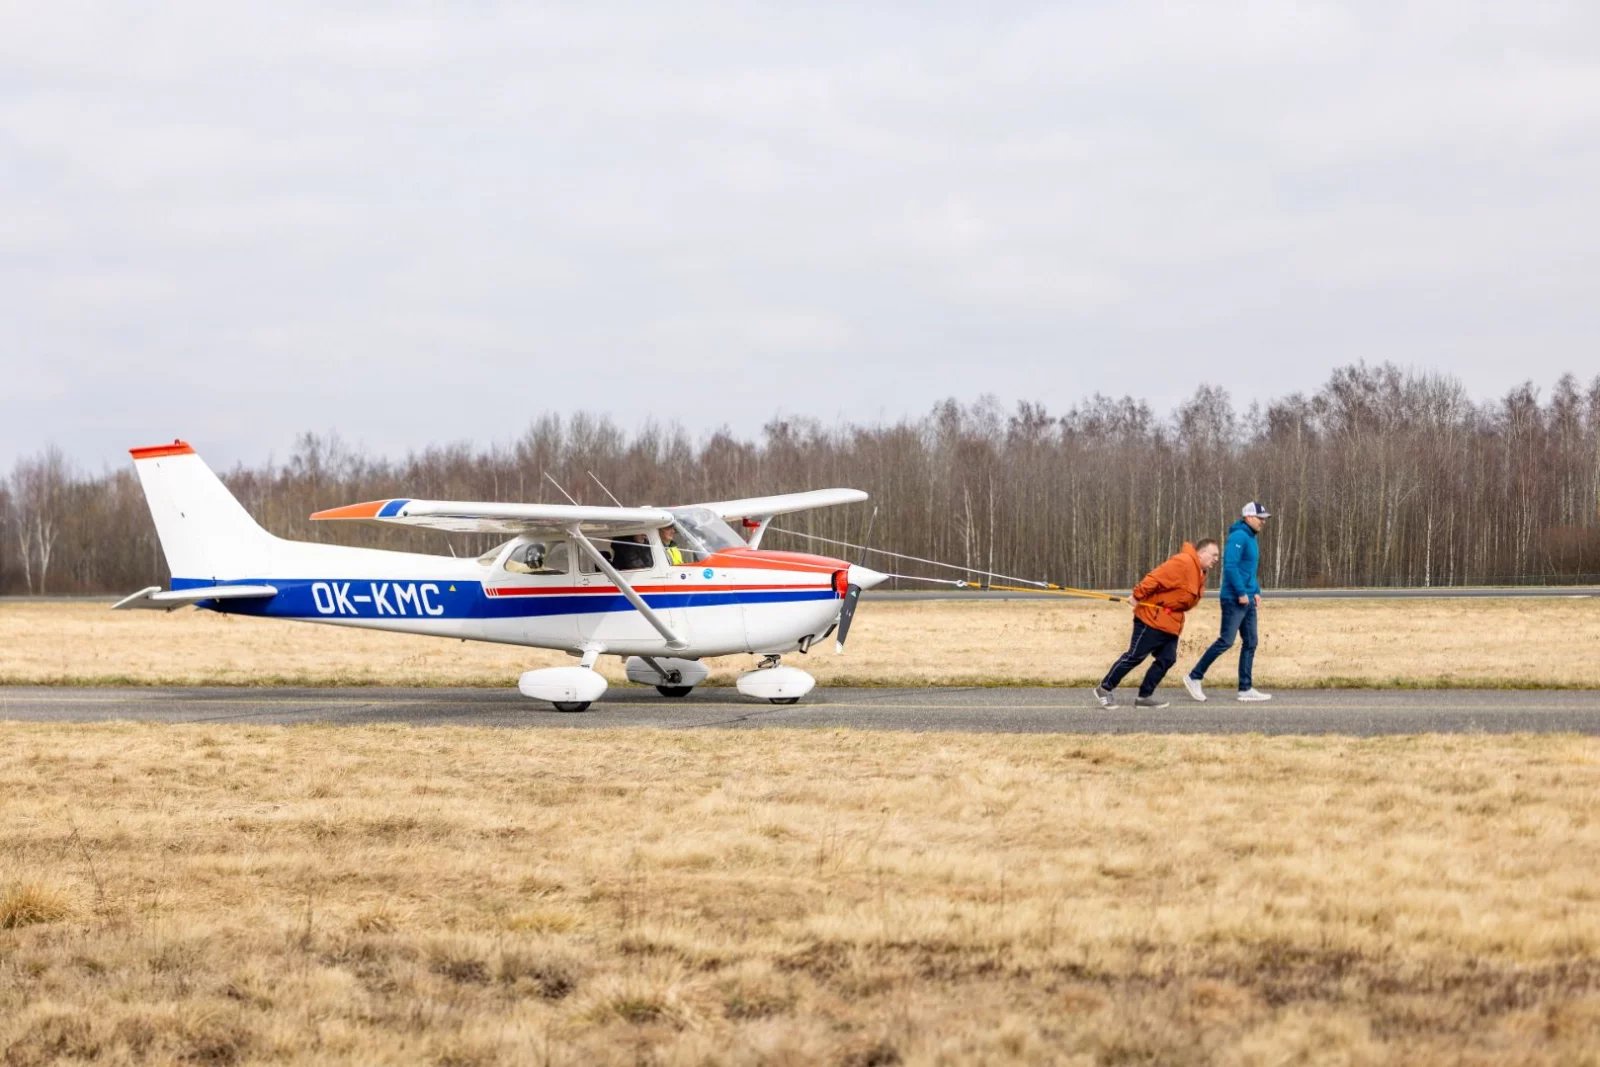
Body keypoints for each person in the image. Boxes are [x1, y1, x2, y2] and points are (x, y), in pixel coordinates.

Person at [1094, 538, 1220, 709]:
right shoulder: (1183, 562)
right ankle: (1104, 688)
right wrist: (1137, 595)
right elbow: (1156, 577)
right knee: (1134, 657)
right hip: (1151, 618)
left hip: (1170, 622)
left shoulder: (1199, 573)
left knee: (1167, 659)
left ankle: (1144, 697)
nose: (1216, 559)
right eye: (1214, 555)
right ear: (1202, 553)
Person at [1184, 502, 1273, 702]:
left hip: (1248, 598)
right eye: (1260, 518)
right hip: (1234, 599)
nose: (1263, 522)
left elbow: (1248, 570)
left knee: (1251, 641)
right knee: (1226, 640)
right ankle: (1194, 677)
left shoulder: (1251, 538)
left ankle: (1245, 688)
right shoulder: (1238, 537)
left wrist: (1256, 591)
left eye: (1264, 519)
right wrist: (1241, 592)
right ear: (1249, 517)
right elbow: (1231, 566)